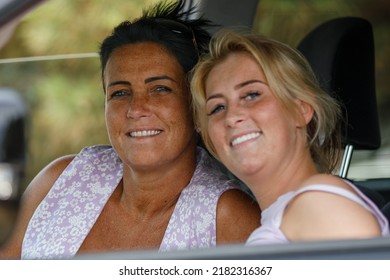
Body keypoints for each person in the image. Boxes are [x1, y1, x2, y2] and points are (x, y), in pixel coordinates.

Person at [0, 1, 260, 259]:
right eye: (120, 92)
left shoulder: (226, 217)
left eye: (160, 89)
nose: (136, 108)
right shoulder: (62, 180)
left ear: (195, 104)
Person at [190, 29, 389, 245]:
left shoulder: (320, 204)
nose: (231, 116)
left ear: (301, 110)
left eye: (252, 95)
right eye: (218, 107)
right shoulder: (288, 216)